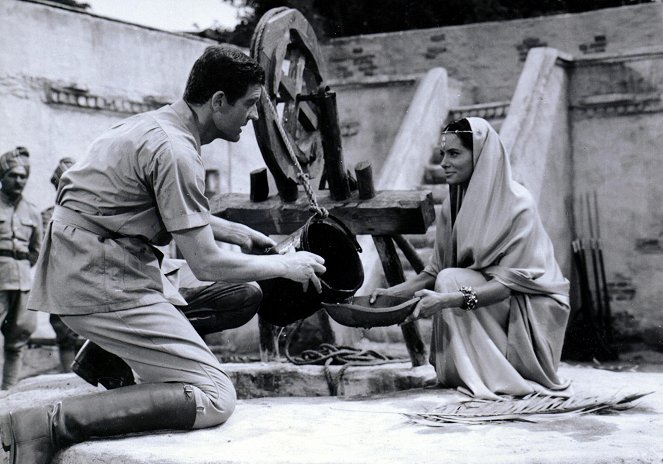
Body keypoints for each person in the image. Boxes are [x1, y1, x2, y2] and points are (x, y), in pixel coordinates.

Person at [0, 44, 326, 464]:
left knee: (241, 293)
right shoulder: (175, 150)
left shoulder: (156, 125)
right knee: (214, 396)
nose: (255, 116)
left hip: (106, 259)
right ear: (218, 102)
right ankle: (46, 424)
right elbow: (206, 263)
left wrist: (236, 232)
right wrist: (286, 264)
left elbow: (149, 207)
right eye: (249, 105)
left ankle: (103, 353)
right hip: (97, 276)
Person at [370, 117, 570, 400]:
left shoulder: (518, 203)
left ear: (480, 155)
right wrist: (390, 295)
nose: (444, 163)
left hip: (534, 302)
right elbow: (434, 271)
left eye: (454, 153)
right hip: (491, 295)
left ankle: (502, 376)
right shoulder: (451, 207)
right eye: (443, 154)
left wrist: (446, 300)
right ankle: (468, 373)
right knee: (448, 276)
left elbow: (507, 285)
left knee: (450, 281)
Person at [0, 147, 42, 390]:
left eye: (23, 176)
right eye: (13, 175)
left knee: (18, 339)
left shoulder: (33, 211)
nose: (19, 181)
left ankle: (8, 391)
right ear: (2, 177)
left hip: (23, 281)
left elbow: (36, 249)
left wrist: (22, 266)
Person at [41, 157, 79, 374]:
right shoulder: (48, 216)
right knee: (64, 334)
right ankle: (66, 379)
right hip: (60, 281)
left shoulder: (91, 215)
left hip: (85, 280)